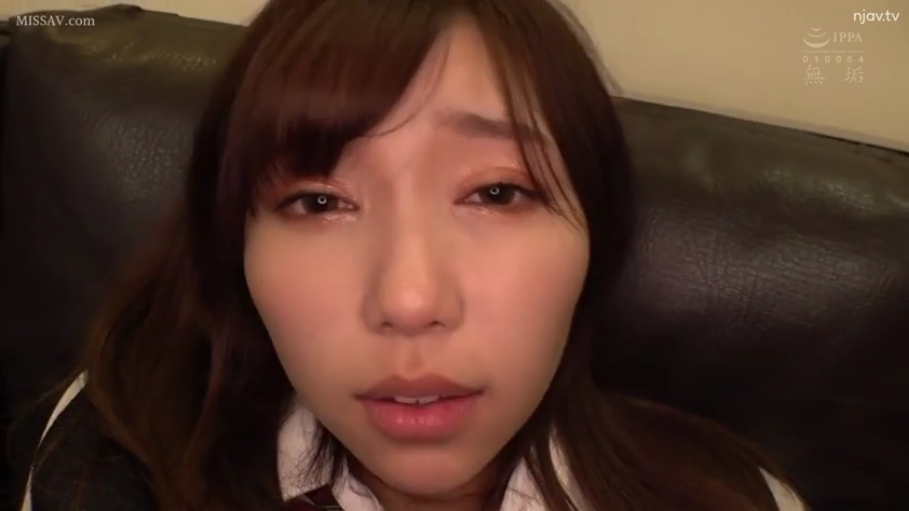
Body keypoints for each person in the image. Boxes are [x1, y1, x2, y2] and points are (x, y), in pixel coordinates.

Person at [22, 0, 807, 510]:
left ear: (594, 236)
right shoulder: (123, 442)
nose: (409, 299)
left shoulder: (727, 497)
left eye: (496, 191)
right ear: (236, 245)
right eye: (318, 201)